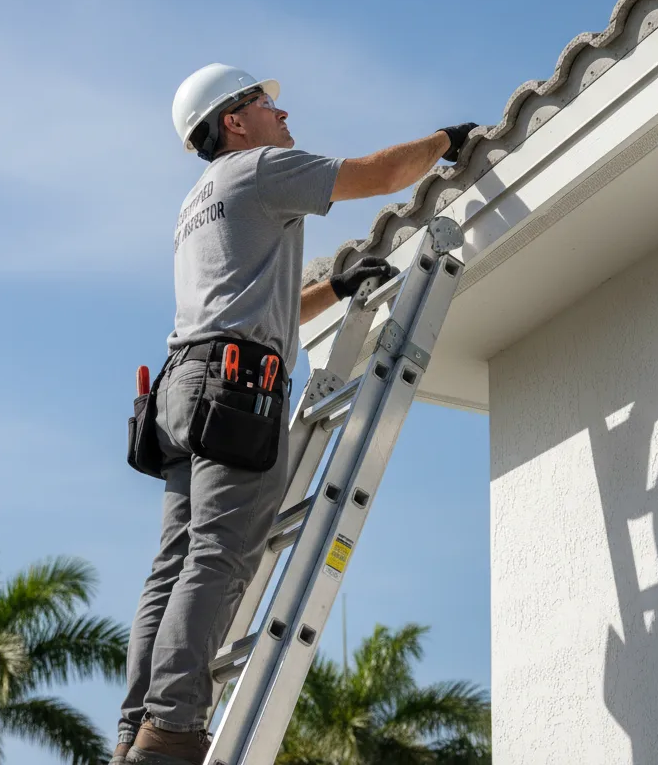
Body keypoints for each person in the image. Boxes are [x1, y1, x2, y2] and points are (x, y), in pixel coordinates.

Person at [114, 64, 477, 765]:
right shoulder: (256, 170)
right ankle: (172, 730)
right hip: (232, 386)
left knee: (174, 565)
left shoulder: (199, 201)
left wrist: (334, 287)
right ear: (234, 122)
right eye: (265, 104)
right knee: (219, 556)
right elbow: (375, 173)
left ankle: (136, 732)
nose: (284, 116)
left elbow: (252, 300)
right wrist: (446, 140)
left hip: (184, 387)